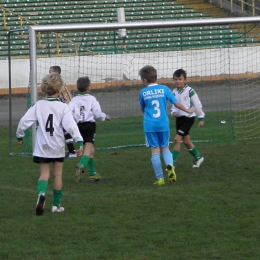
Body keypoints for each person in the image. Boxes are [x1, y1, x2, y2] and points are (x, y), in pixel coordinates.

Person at [16, 73, 83, 216]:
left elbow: (24, 121)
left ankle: (41, 194)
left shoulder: (38, 105)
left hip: (42, 147)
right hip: (57, 146)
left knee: (44, 174)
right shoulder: (63, 107)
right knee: (57, 175)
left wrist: (19, 135)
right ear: (59, 91)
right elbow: (71, 125)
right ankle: (56, 205)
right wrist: (79, 140)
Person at [139, 65, 195, 186]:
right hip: (163, 124)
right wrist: (187, 110)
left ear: (144, 80)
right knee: (165, 148)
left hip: (150, 125)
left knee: (155, 151)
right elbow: (177, 103)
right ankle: (170, 165)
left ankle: (160, 178)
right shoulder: (164, 89)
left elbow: (143, 109)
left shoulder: (143, 92)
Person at [68, 76, 110, 183]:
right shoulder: (92, 99)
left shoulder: (74, 100)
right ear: (88, 88)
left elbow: (69, 113)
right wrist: (105, 116)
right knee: (88, 149)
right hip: (90, 126)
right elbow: (97, 113)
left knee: (91, 151)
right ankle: (80, 165)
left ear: (77, 88)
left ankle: (93, 174)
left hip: (78, 127)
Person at [171, 69, 205, 168]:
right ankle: (198, 157)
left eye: (180, 79)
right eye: (175, 79)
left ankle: (172, 165)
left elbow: (197, 105)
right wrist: (174, 112)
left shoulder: (190, 91)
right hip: (180, 119)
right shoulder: (174, 91)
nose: (178, 81)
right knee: (186, 141)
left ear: (185, 80)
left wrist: (201, 117)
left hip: (188, 118)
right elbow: (174, 105)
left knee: (177, 139)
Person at [49, 65, 77, 158]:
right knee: (60, 130)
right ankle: (66, 151)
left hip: (66, 109)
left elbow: (62, 98)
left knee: (65, 131)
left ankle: (72, 151)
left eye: (51, 73)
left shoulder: (59, 84)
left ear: (56, 74)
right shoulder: (57, 83)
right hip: (63, 108)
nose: (49, 75)